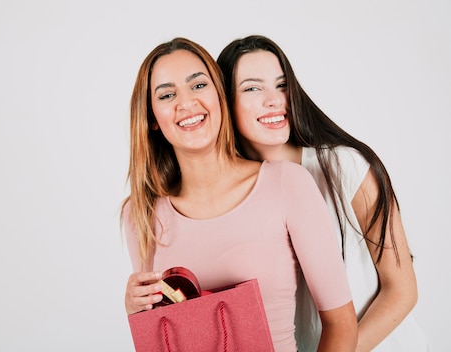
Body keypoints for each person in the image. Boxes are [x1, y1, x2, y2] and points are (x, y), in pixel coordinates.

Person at [121, 37, 357, 352]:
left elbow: (341, 324)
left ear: (221, 96)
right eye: (166, 94)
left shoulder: (287, 184)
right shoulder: (140, 214)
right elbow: (167, 336)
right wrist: (137, 311)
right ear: (152, 117)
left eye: (198, 85)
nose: (186, 102)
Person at [216, 34, 429, 352]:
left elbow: (402, 289)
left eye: (282, 84)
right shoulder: (230, 196)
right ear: (224, 103)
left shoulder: (344, 165)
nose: (275, 99)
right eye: (252, 88)